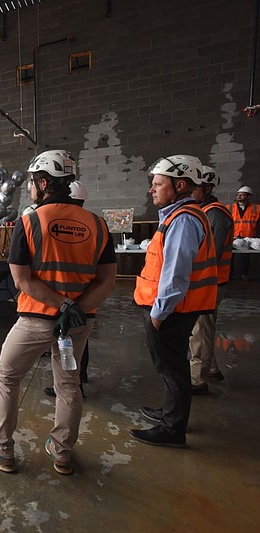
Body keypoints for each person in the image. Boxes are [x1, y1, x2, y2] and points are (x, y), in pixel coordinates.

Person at [0, 150, 116, 475]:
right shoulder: (97, 224)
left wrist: (61, 305)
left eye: (33, 182)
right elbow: (108, 280)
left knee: (6, 375)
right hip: (76, 326)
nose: (30, 188)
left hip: (37, 321)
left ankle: (1, 450)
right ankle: (62, 452)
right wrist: (77, 308)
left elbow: (22, 280)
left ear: (45, 182)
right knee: (68, 383)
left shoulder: (31, 220)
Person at [131, 155, 217, 448]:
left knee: (172, 367)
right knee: (172, 366)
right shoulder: (178, 216)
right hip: (174, 310)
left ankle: (173, 429)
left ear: (179, 185)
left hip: (172, 311)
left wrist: (158, 314)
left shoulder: (183, 220)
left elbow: (176, 275)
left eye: (157, 184)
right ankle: (170, 414)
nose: (151, 190)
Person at [43, 179, 91, 398]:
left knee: (6, 372)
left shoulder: (51, 222)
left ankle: (72, 383)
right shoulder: (93, 224)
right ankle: (79, 379)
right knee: (79, 345)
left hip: (58, 303)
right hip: (84, 302)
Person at [188, 166, 233, 394]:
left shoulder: (215, 213)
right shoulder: (205, 211)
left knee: (201, 331)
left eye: (194, 187)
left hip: (210, 283)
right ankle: (211, 369)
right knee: (203, 329)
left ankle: (198, 381)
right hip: (206, 281)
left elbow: (209, 254)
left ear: (206, 188)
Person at [230, 185, 259, 281]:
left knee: (245, 258)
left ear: (248, 197)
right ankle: (229, 275)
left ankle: (244, 275)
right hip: (233, 236)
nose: (239, 196)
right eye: (238, 194)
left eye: (242, 195)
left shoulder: (256, 208)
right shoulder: (230, 208)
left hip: (248, 237)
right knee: (230, 256)